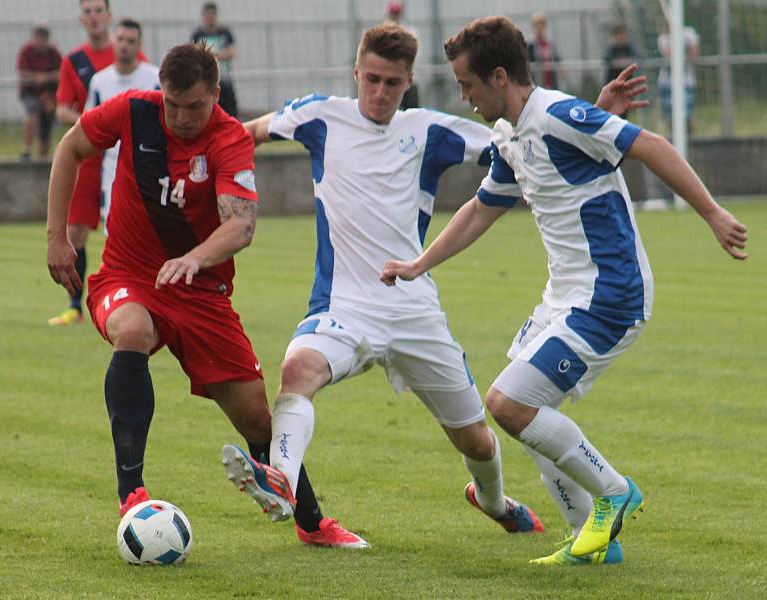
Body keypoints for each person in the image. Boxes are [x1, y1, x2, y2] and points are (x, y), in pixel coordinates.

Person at [222, 21, 644, 541]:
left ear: (409, 82)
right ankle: (282, 479)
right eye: (371, 79)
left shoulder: (430, 129)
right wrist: (201, 168)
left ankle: (493, 502)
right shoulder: (317, 116)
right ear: (355, 72)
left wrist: (593, 118)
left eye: (392, 83)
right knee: (298, 368)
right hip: (344, 305)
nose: (379, 92)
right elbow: (243, 135)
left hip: (414, 310)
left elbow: (520, 133)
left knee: (479, 441)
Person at [381, 15, 748, 566]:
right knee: (531, 409)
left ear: (500, 76)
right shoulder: (512, 132)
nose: (464, 96)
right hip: (565, 295)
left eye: (468, 84)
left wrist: (713, 213)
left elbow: (649, 144)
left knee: (508, 403)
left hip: (610, 293)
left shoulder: (554, 114)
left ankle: (614, 492)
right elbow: (483, 208)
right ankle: (595, 546)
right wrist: (420, 263)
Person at [45, 42, 366, 549]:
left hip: (201, 293)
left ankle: (311, 522)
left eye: (194, 106)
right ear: (162, 93)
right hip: (129, 276)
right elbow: (71, 147)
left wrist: (195, 258)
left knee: (257, 418)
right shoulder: (133, 110)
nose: (181, 117)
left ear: (214, 95)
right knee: (132, 328)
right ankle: (132, 493)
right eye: (172, 104)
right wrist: (56, 237)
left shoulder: (229, 138)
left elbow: (240, 226)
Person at [49, 0, 115, 326]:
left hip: (120, 159)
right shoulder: (73, 61)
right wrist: (91, 124)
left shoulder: (128, 60)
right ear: (81, 18)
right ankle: (75, 305)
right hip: (87, 159)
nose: (93, 17)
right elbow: (62, 109)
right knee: (75, 234)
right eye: (87, 11)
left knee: (125, 229)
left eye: (98, 10)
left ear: (109, 15)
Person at [84, 19, 160, 230]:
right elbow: (89, 126)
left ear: (139, 45)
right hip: (113, 170)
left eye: (130, 40)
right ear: (112, 41)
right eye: (120, 39)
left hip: (149, 169)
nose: (125, 45)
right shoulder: (100, 81)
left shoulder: (155, 79)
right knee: (114, 232)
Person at [16, 24, 61, 160]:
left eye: (43, 37)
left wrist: (45, 78)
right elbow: (22, 73)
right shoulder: (26, 51)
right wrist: (37, 78)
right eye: (37, 37)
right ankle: (27, 149)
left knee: (46, 127)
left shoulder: (52, 52)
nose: (40, 41)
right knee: (32, 113)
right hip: (31, 92)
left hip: (48, 94)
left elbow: (62, 71)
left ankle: (42, 157)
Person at [191, 2, 238, 118]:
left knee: (229, 111)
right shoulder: (198, 34)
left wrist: (213, 56)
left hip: (224, 78)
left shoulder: (224, 33)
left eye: (212, 15)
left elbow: (231, 52)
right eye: (207, 15)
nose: (210, 18)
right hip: (206, 80)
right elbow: (194, 55)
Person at [658, 21, 700, 134]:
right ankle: (671, 140)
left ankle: (691, 140)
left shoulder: (688, 32)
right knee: (670, 115)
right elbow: (670, 54)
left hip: (686, 82)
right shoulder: (663, 38)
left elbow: (694, 52)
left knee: (688, 113)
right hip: (668, 83)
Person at [386, 1, 419, 109]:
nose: (395, 16)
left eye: (397, 13)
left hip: (408, 79)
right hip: (390, 79)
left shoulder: (410, 32)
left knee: (411, 111)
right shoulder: (384, 32)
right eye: (393, 13)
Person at [604, 25, 640, 119]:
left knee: (624, 111)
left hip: (626, 86)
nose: (622, 37)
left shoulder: (630, 48)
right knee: (612, 113)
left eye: (624, 34)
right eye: (619, 35)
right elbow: (607, 60)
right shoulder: (611, 49)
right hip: (613, 85)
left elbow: (638, 57)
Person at [527, 12, 562, 90]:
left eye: (542, 24)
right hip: (537, 82)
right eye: (537, 25)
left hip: (551, 81)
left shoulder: (550, 44)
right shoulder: (530, 45)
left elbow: (557, 59)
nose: (539, 27)